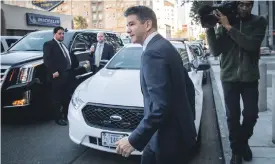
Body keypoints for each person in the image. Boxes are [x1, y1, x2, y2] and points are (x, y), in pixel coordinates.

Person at [115, 6, 197, 164]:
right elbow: (189, 88)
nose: (127, 30)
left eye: (132, 24)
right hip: (170, 136)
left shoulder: (153, 53)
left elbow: (159, 106)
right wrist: (187, 123)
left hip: (167, 140)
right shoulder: (165, 46)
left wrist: (133, 139)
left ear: (147, 25)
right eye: (127, 25)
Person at [206, 1, 267, 164]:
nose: (245, 8)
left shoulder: (259, 21)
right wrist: (209, 28)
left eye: (248, 5)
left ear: (252, 5)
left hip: (250, 78)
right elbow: (215, 50)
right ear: (236, 5)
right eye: (241, 4)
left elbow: (251, 45)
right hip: (229, 78)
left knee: (251, 114)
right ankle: (236, 152)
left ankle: (242, 144)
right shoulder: (226, 21)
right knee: (232, 117)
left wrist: (228, 28)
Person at [43, 26, 79, 126]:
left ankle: (65, 115)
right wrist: (53, 71)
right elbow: (47, 59)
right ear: (54, 34)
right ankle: (58, 118)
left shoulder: (63, 45)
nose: (62, 35)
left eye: (63, 33)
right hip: (57, 76)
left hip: (68, 75)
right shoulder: (49, 45)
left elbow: (68, 58)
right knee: (57, 99)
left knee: (66, 97)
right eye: (60, 33)